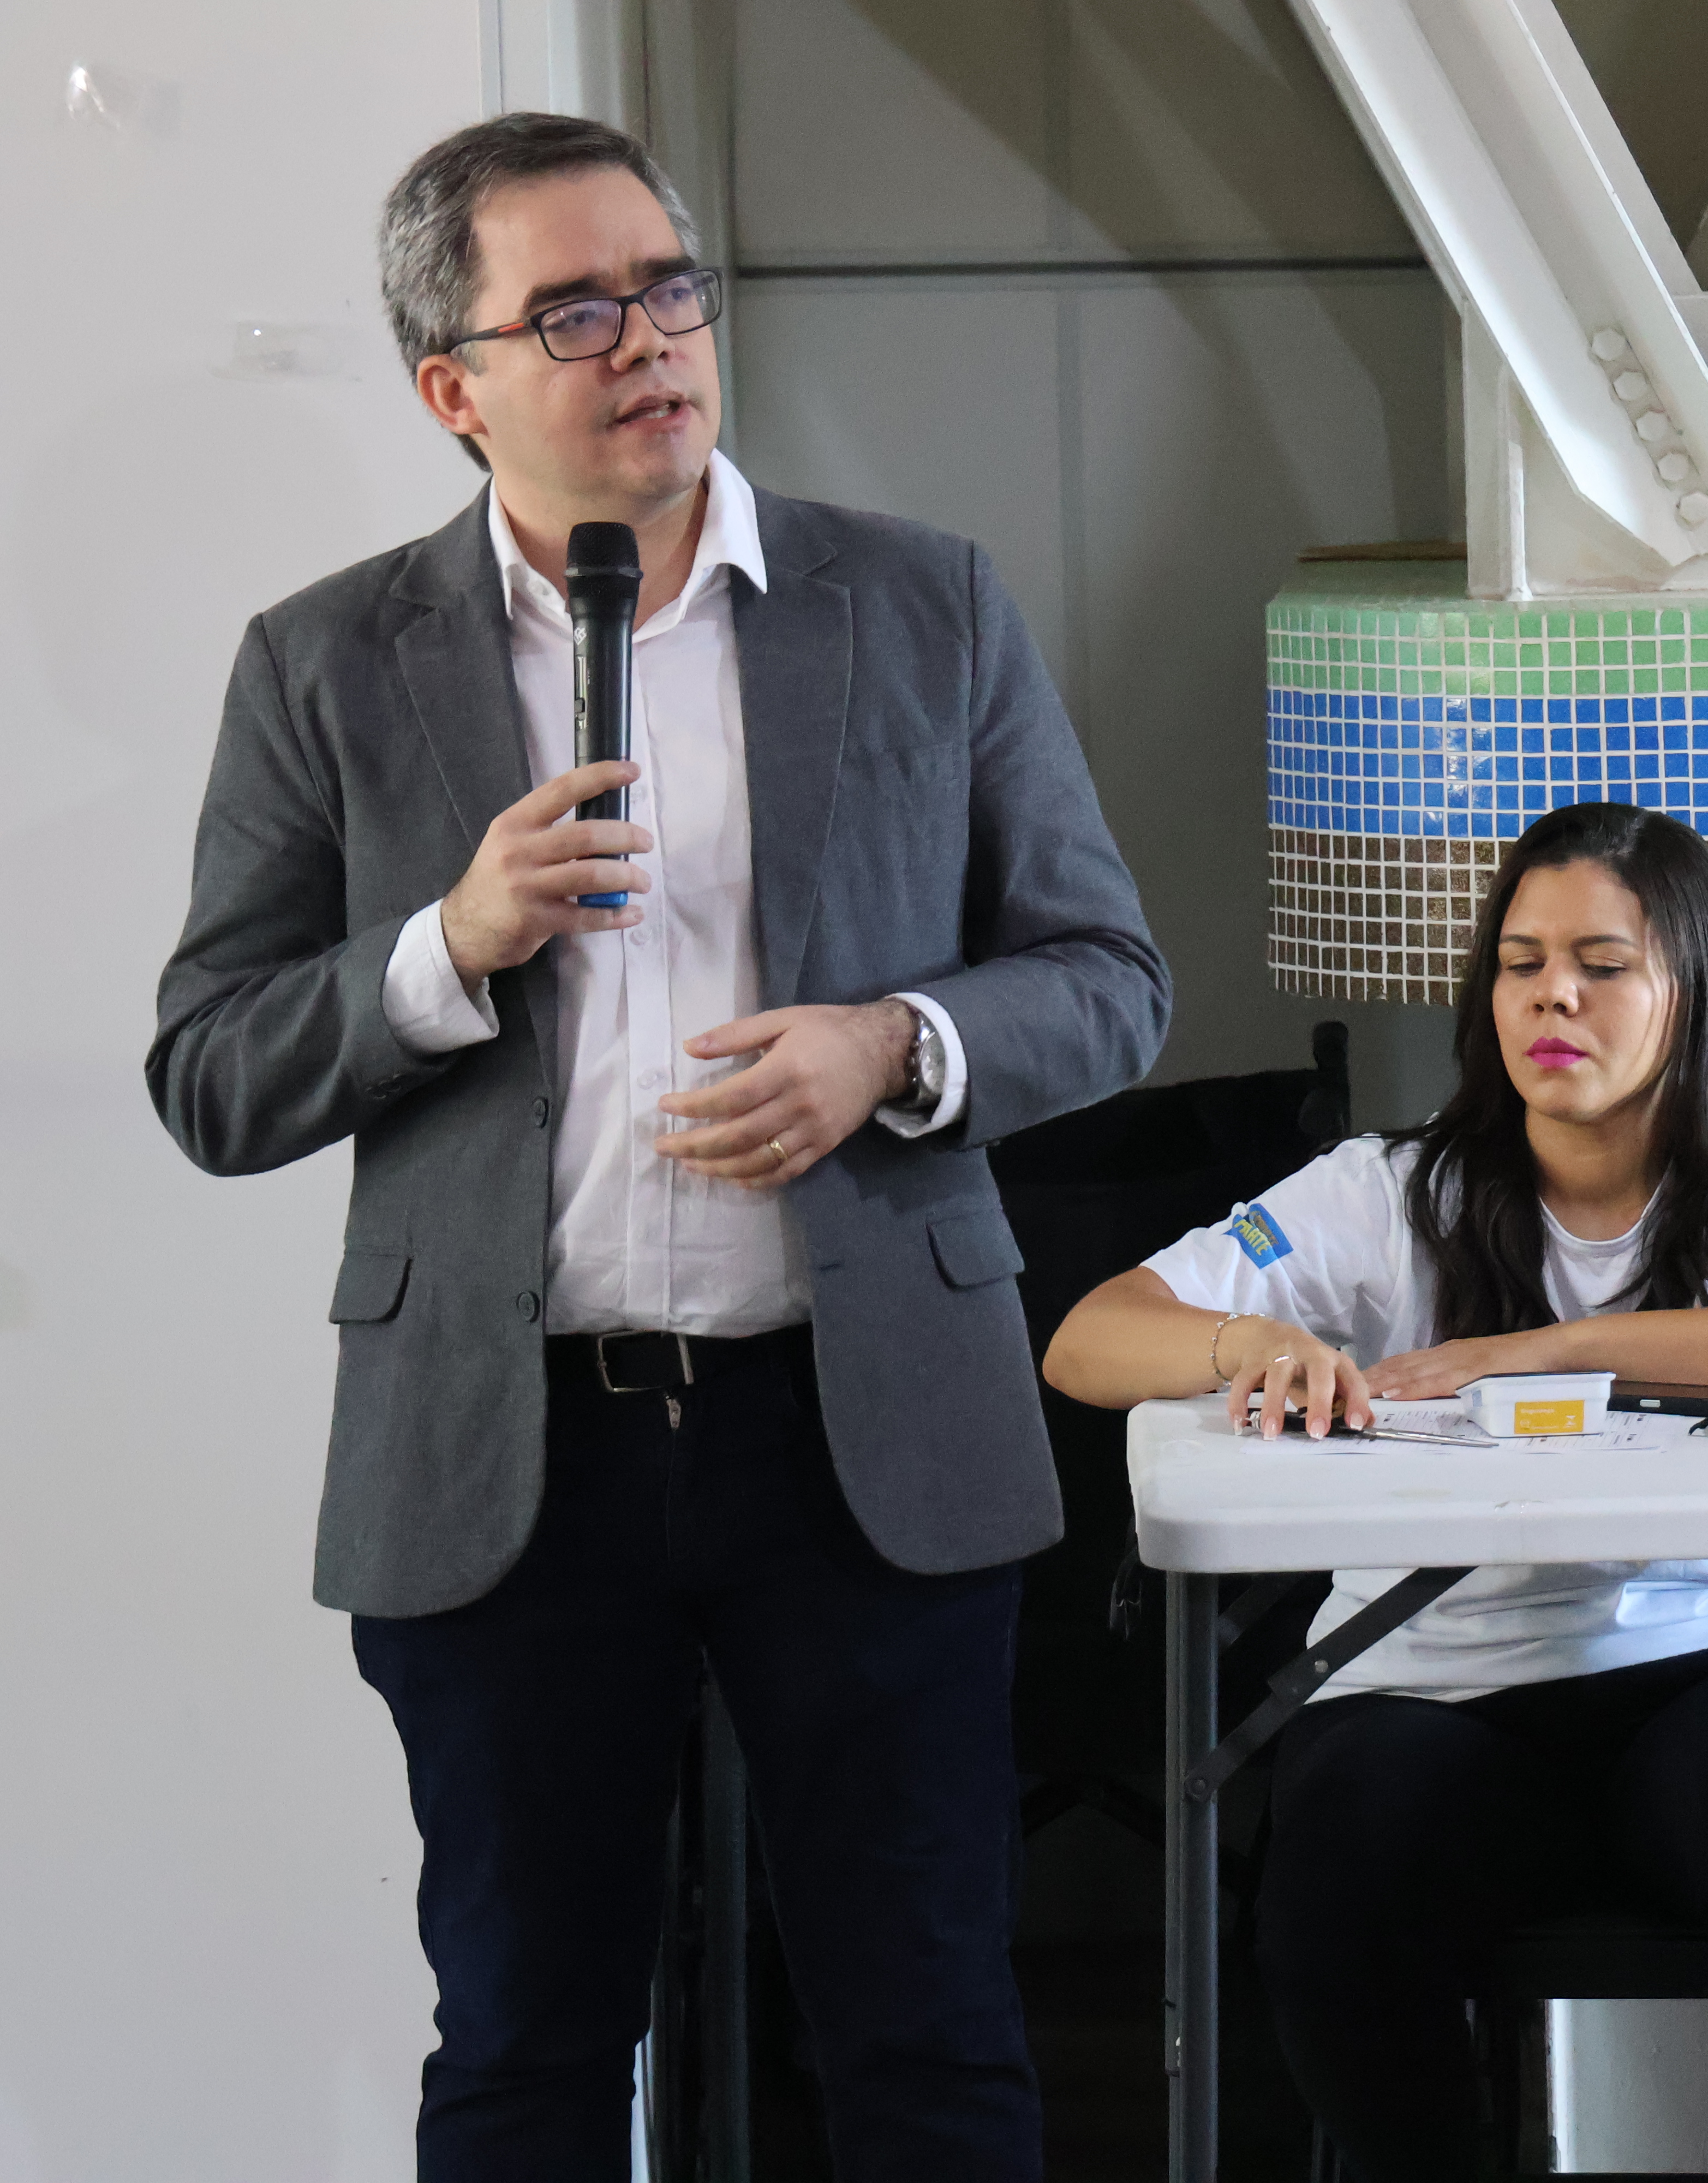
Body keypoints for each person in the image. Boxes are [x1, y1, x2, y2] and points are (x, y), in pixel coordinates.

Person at [147, 114, 1168, 2180]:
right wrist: (450, 944)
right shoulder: (326, 662)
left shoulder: (923, 606)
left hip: (858, 1433)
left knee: (929, 2039)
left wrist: (897, 1043)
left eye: (674, 289)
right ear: (458, 386)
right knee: (527, 2048)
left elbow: (1112, 979)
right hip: (516, 1461)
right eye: (580, 311)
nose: (654, 344)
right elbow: (211, 1071)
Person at [1046, 800, 1708, 2181]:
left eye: (1600, 962)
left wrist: (1555, 1344)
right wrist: (1254, 1339)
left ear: (1686, 986)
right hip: (1428, 1681)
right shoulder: (1388, 1187)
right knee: (1333, 1855)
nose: (1553, 998)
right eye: (1521, 963)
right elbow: (1092, 1335)